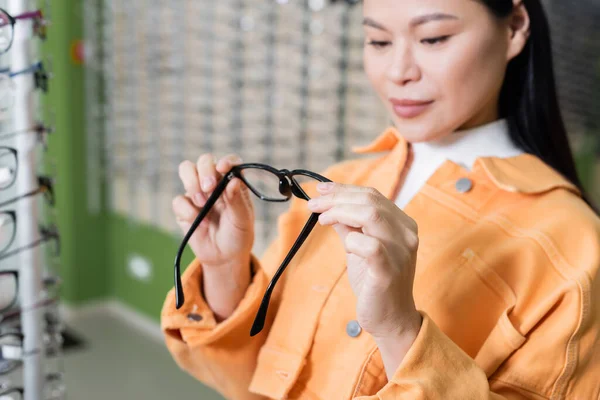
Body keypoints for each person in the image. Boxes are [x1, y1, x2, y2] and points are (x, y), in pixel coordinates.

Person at [161, 0, 600, 398]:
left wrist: (398, 329)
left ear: (515, 27)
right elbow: (250, 383)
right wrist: (224, 269)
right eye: (378, 40)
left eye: (433, 38)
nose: (397, 71)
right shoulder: (335, 184)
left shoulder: (575, 246)